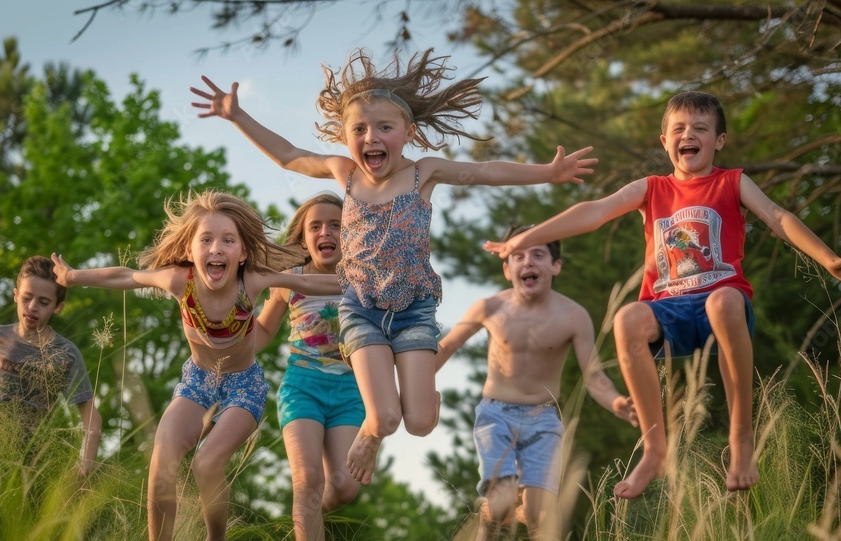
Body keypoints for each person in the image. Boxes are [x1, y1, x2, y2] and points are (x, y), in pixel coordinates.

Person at [191, 48, 598, 487]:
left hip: (413, 311)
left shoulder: (426, 172)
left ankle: (416, 401)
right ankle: (372, 428)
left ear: (409, 132)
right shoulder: (343, 172)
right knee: (383, 417)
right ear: (345, 135)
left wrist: (547, 173)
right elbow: (289, 154)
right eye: (359, 129)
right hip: (361, 308)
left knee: (420, 422)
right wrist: (237, 116)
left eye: (384, 128)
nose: (371, 138)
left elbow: (485, 171)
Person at [484, 91, 841, 500]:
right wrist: (526, 239)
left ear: (719, 141)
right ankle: (655, 449)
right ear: (664, 141)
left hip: (721, 306)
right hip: (668, 309)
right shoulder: (652, 189)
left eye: (700, 129)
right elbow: (595, 211)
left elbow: (778, 217)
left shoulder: (732, 181)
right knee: (627, 319)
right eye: (679, 129)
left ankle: (741, 439)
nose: (689, 135)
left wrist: (829, 259)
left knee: (722, 301)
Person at [52, 190, 340, 541]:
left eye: (227, 240)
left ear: (242, 253)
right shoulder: (178, 279)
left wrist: (374, 282)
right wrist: (72, 277)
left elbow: (313, 282)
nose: (215, 248)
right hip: (197, 382)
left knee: (206, 463)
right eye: (205, 239)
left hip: (244, 386)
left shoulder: (252, 280)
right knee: (163, 456)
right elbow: (124, 275)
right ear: (190, 248)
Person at [435, 226, 637, 541]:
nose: (528, 262)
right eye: (518, 256)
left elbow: (594, 378)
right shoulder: (489, 307)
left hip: (543, 419)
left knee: (541, 516)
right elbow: (446, 347)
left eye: (539, 254)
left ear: (555, 266)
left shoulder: (573, 316)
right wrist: (405, 384)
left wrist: (618, 401)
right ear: (507, 268)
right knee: (499, 503)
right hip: (495, 413)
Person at [253, 192, 362, 541]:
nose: (325, 232)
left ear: (351, 234)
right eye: (315, 226)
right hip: (302, 388)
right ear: (303, 236)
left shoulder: (361, 277)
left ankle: (305, 519)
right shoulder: (287, 282)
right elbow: (263, 332)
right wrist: (227, 339)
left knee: (345, 485)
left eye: (336, 225)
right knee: (307, 480)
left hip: (351, 391)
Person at [0, 256, 102, 484]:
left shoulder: (66, 354)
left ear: (58, 307)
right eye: (27, 298)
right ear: (16, 295)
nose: (33, 307)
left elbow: (91, 416)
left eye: (44, 302)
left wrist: (86, 463)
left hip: (33, 456)